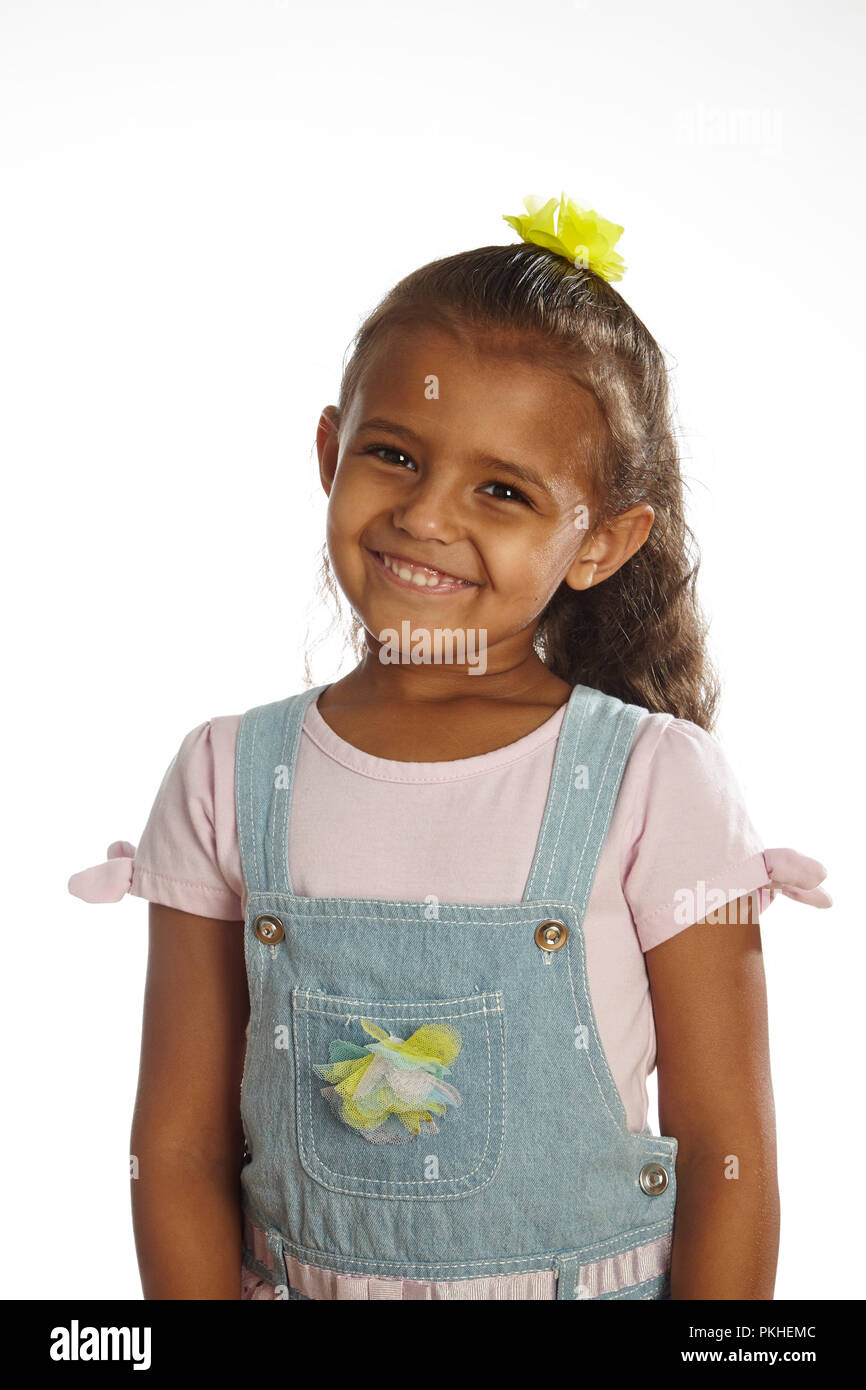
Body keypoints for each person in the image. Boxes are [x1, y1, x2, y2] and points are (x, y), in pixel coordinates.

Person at [69, 192, 831, 1301]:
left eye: (502, 490)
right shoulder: (227, 777)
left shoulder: (654, 783)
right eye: (392, 454)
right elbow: (178, 1153)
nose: (426, 516)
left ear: (600, 542)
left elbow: (732, 1160)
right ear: (330, 450)